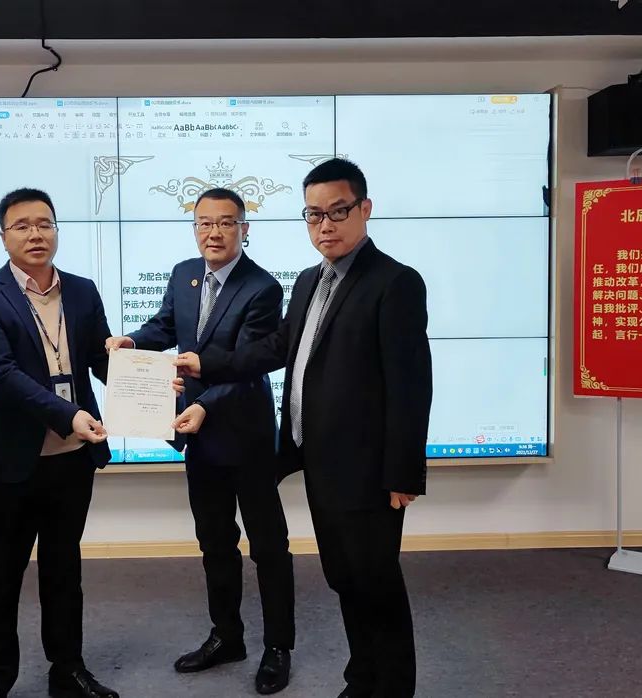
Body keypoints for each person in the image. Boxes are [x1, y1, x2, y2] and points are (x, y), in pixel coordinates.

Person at [175, 160, 432, 698]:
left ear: (364, 209)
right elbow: (277, 347)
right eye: (314, 215)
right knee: (344, 579)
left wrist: (403, 472)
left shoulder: (395, 283)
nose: (325, 225)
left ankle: (392, 688)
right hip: (320, 461)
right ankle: (362, 679)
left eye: (338, 212)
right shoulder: (312, 279)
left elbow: (411, 385)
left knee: (376, 585)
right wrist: (205, 363)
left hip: (369, 471)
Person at [106, 187, 295, 695]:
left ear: (244, 230)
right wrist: (131, 342)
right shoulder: (183, 274)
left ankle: (278, 646)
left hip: (246, 435)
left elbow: (250, 364)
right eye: (204, 223)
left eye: (226, 223)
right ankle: (226, 636)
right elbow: (165, 326)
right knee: (214, 540)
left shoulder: (261, 288)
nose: (214, 232)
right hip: (199, 435)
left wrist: (206, 403)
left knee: (268, 545)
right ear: (195, 229)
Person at [0, 188, 119, 698]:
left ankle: (67, 670)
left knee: (63, 568)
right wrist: (68, 414)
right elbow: (3, 375)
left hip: (72, 460)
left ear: (56, 230)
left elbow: (100, 360)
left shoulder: (82, 290)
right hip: (12, 460)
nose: (36, 234)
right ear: (3, 236)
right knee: (3, 574)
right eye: (23, 225)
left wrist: (149, 378)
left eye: (45, 224)